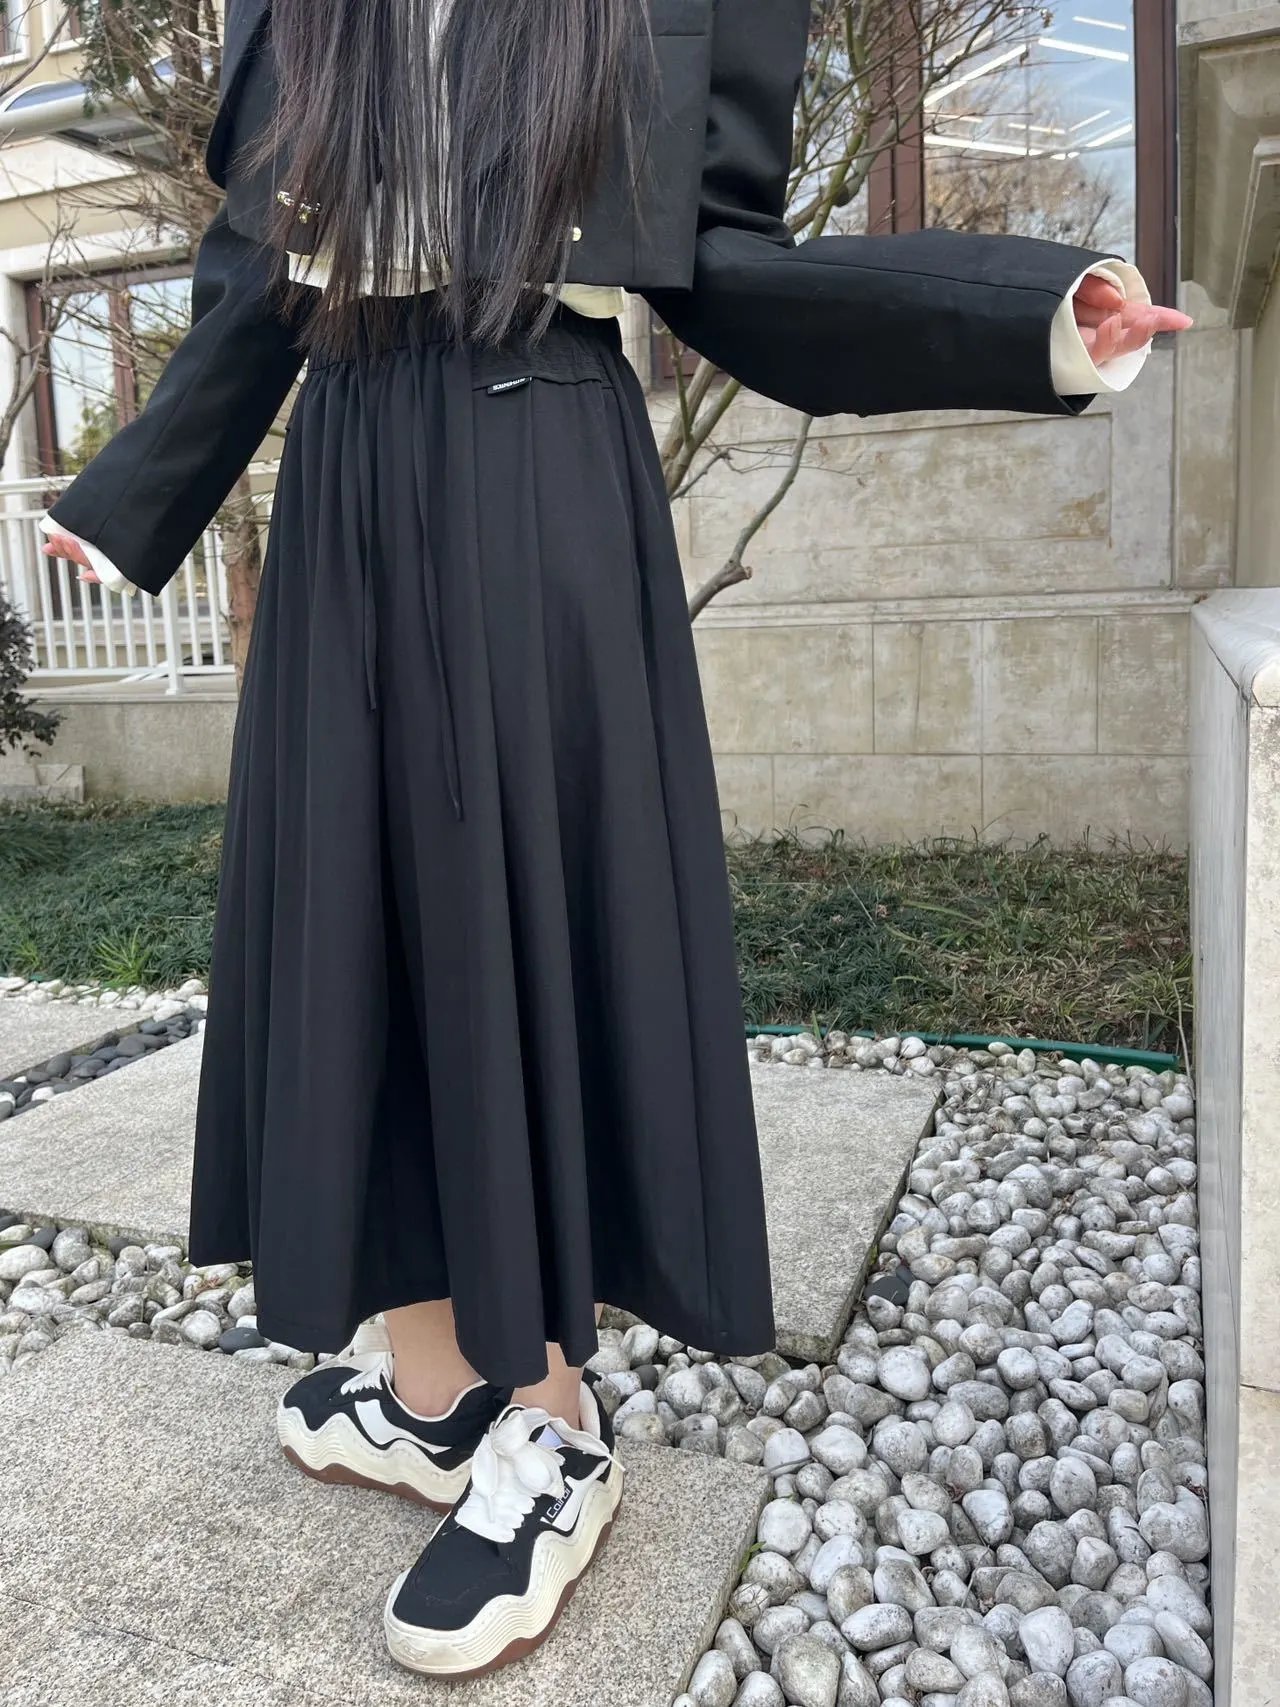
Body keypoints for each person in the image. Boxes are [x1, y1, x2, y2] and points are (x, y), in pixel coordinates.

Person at [39, 0, 1191, 1681]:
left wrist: (1027, 317)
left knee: (505, 918)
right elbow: (262, 271)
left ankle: (552, 1424)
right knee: (371, 916)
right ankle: (432, 1392)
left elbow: (726, 267)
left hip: (533, 460)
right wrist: (131, 492)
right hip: (343, 470)